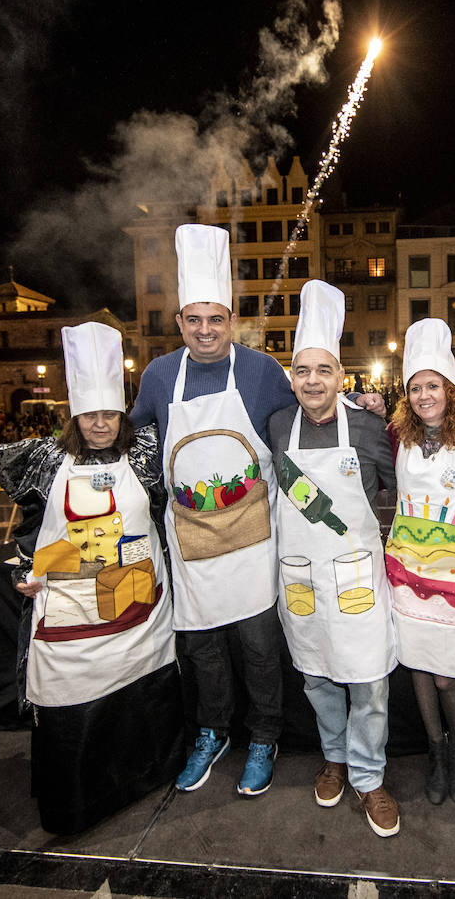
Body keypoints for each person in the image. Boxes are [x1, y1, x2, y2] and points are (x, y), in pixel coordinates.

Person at [0, 321, 182, 834]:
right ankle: (78, 805)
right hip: (72, 614)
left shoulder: (144, 455)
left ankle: (147, 776)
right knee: (73, 699)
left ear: (122, 414)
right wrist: (28, 571)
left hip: (139, 608)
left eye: (109, 414)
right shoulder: (47, 461)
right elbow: (32, 531)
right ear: (74, 415)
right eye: (90, 415)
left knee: (139, 689)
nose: (100, 424)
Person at [129, 224, 291, 797]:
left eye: (215, 320)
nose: (204, 331)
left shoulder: (262, 372)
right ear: (179, 324)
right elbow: (132, 448)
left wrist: (357, 410)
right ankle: (213, 731)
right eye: (193, 320)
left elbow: (298, 437)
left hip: (253, 539)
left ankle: (265, 735)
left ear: (231, 320)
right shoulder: (157, 377)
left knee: (258, 647)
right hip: (191, 539)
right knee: (203, 649)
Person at [268, 280, 400, 837]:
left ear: (341, 378)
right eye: (303, 371)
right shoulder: (277, 425)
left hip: (356, 577)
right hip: (301, 579)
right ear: (292, 378)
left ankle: (370, 777)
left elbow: (398, 492)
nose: (313, 381)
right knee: (317, 678)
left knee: (368, 682)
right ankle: (335, 759)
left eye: (324, 371)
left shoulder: (370, 428)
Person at [384, 318, 455, 805]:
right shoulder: (394, 435)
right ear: (406, 395)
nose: (425, 395)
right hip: (406, 566)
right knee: (420, 666)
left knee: (448, 672)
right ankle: (435, 751)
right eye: (416, 388)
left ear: (450, 389)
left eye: (434, 385)